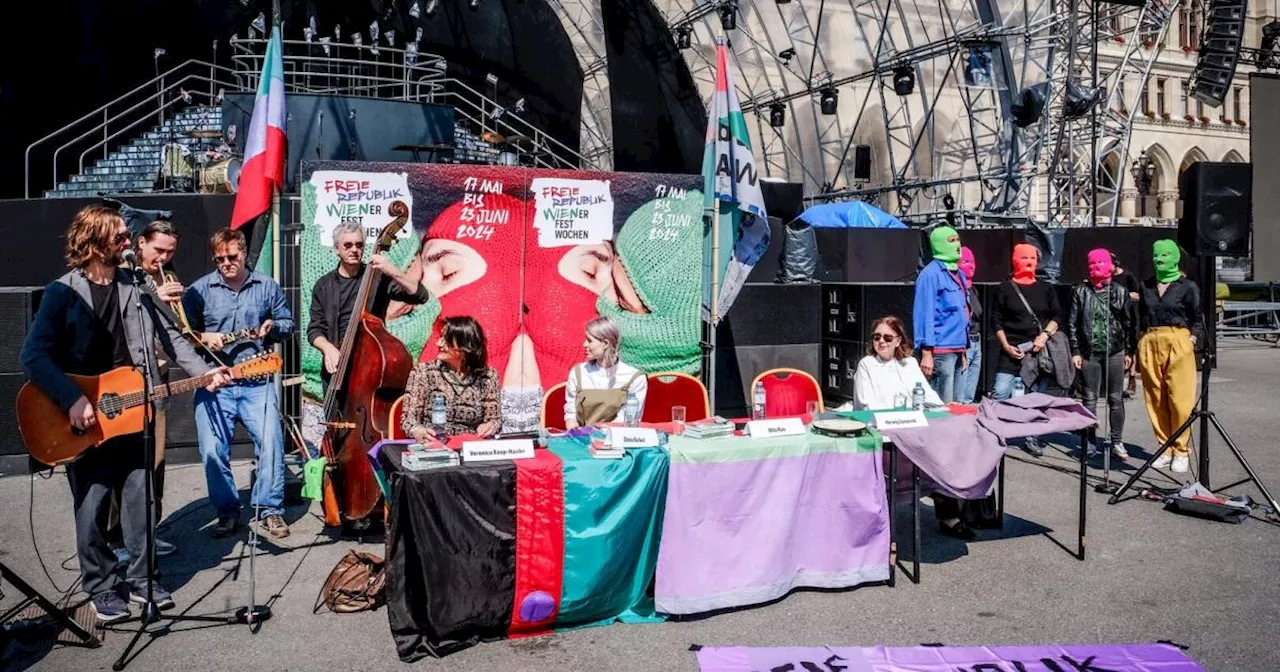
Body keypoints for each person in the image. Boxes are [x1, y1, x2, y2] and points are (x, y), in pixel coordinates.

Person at [20, 205, 229, 623]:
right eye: (118, 236)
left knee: (140, 501)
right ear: (95, 241)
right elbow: (33, 356)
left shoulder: (135, 285)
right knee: (93, 503)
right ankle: (100, 586)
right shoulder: (63, 292)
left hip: (134, 410)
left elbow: (171, 336)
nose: (126, 242)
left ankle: (144, 580)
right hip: (83, 416)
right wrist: (72, 400)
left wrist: (206, 372)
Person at [184, 228, 296, 539]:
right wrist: (205, 338)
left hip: (256, 381)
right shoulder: (198, 290)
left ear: (244, 253)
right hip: (214, 383)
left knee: (272, 445)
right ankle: (227, 512)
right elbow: (182, 335)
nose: (226, 263)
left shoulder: (267, 286)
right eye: (219, 259)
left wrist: (274, 327)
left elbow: (288, 324)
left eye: (232, 257)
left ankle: (270, 510)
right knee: (212, 451)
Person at [105, 221, 185, 562]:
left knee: (156, 460)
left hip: (157, 378)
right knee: (119, 462)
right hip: (122, 382)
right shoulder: (122, 274)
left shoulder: (166, 277)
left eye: (169, 252)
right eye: (158, 251)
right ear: (140, 244)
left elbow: (172, 337)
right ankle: (116, 539)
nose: (164, 258)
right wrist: (153, 300)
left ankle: (148, 532)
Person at [853, 317, 967, 538]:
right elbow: (865, 404)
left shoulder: (909, 364)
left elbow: (926, 393)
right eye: (877, 337)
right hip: (884, 431)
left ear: (898, 340)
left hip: (912, 427)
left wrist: (943, 408)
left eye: (887, 337)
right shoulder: (867, 364)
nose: (881, 342)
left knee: (943, 451)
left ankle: (949, 516)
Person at [308, 221, 429, 390]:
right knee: (334, 417)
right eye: (347, 245)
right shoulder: (323, 285)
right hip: (335, 369)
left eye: (359, 245)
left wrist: (392, 270)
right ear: (336, 249)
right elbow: (314, 330)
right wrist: (327, 348)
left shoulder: (377, 278)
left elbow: (420, 295)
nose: (354, 250)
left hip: (370, 367)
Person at [991, 244, 1066, 455]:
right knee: (1001, 392)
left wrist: (1044, 336)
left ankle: (1031, 436)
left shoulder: (1046, 288)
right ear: (1015, 260)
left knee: (1035, 396)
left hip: (1037, 351)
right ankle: (996, 433)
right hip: (1011, 348)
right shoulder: (1004, 289)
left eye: (1033, 258)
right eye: (1024, 258)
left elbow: (1057, 316)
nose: (1030, 262)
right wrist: (1006, 346)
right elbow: (996, 321)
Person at [1138, 240, 1200, 473]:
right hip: (1151, 340)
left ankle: (1181, 449)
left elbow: (1197, 317)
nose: (1159, 260)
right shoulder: (1147, 286)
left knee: (1180, 400)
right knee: (1155, 399)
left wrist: (1192, 339)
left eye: (1164, 255)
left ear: (1174, 257)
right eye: (1156, 255)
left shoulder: (1187, 286)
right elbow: (1141, 316)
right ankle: (1164, 447)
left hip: (1177, 339)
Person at [1068, 249, 1137, 460]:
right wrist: (1075, 351)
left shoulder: (1120, 291)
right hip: (1089, 352)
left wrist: (1129, 350)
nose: (1095, 267)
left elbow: (1128, 322)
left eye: (1100, 263)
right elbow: (1072, 323)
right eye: (1092, 263)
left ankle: (1117, 441)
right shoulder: (1080, 292)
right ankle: (1089, 442)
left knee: (1116, 398)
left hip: (1115, 351)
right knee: (1089, 398)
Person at [401, 316, 502, 440]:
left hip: (470, 446)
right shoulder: (423, 372)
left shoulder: (487, 377)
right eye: (440, 338)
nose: (438, 343)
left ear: (466, 347)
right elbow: (408, 421)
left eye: (446, 340)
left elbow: (495, 419)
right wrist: (418, 431)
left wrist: (490, 426)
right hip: (434, 444)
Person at [912, 226, 970, 402]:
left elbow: (962, 311)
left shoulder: (959, 273)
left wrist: (963, 350)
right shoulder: (930, 274)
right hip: (940, 350)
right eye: (951, 241)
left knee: (957, 405)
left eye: (958, 240)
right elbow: (923, 313)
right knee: (941, 406)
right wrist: (927, 352)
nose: (957, 245)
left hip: (958, 348)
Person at [563, 316, 648, 428]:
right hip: (583, 439)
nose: (584, 345)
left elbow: (626, 420)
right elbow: (571, 414)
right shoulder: (578, 372)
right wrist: (575, 435)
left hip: (618, 438)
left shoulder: (634, 378)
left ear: (605, 344)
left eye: (589, 341)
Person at [1111, 251, 1142, 398]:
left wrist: (1123, 294)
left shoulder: (1127, 276)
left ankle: (1132, 377)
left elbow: (1138, 295)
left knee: (1131, 348)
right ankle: (1116, 382)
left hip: (1129, 315)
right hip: (1114, 317)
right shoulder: (1108, 278)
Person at [955, 246, 983, 403]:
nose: (971, 266)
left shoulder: (974, 290)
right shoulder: (957, 289)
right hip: (965, 343)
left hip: (976, 342)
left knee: (969, 396)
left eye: (972, 262)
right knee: (960, 395)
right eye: (965, 262)